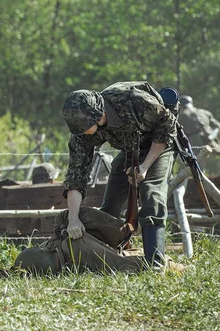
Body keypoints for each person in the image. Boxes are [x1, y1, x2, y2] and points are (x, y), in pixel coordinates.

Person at [61, 81, 177, 267]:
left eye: (84, 129)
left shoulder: (131, 99)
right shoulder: (82, 132)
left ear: (97, 116)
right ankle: (108, 255)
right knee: (112, 200)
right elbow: (76, 175)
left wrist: (145, 166)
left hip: (160, 144)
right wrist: (72, 219)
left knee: (151, 194)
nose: (82, 134)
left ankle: (156, 263)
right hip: (130, 149)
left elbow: (166, 124)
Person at [14, 207, 143, 274]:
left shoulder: (74, 244)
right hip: (70, 244)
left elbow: (123, 264)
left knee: (122, 262)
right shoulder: (66, 243)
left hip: (73, 243)